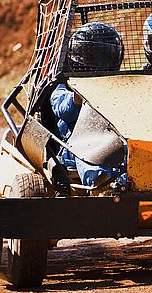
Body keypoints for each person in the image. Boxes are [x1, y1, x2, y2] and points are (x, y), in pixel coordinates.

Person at [51, 21, 125, 187]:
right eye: (95, 57)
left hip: (115, 142)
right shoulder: (63, 88)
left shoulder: (121, 85)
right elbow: (64, 110)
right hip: (76, 146)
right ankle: (101, 186)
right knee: (87, 153)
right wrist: (81, 94)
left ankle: (130, 184)